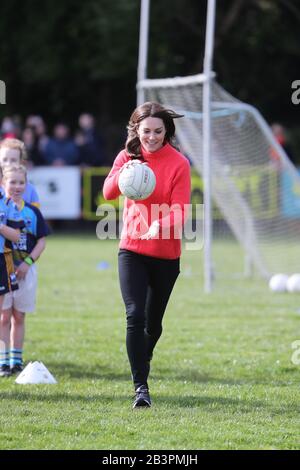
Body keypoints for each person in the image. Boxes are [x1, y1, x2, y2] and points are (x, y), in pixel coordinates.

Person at [103, 101, 191, 408]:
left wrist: (160, 224)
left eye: (158, 131)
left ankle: (144, 353)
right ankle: (141, 387)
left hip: (166, 255)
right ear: (136, 130)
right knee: (135, 316)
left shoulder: (179, 163)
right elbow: (108, 192)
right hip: (132, 249)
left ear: (166, 131)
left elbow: (181, 210)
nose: (152, 137)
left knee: (153, 325)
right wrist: (123, 173)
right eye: (146, 131)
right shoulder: (127, 155)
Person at [0, 165, 49, 376]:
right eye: (13, 182)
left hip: (25, 272)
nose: (17, 186)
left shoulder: (32, 212)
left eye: (22, 182)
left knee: (19, 316)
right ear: (3, 183)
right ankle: (3, 361)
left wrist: (28, 262)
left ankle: (16, 360)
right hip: (4, 269)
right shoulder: (3, 208)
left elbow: (41, 241)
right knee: (3, 317)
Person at [0, 168, 24, 377]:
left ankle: (2, 362)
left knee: (2, 315)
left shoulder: (8, 205)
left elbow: (16, 236)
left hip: (2, 259)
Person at [0, 138, 40, 208]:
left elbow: (35, 215)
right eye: (5, 159)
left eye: (13, 160)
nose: (8, 164)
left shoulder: (30, 190)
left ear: (21, 162)